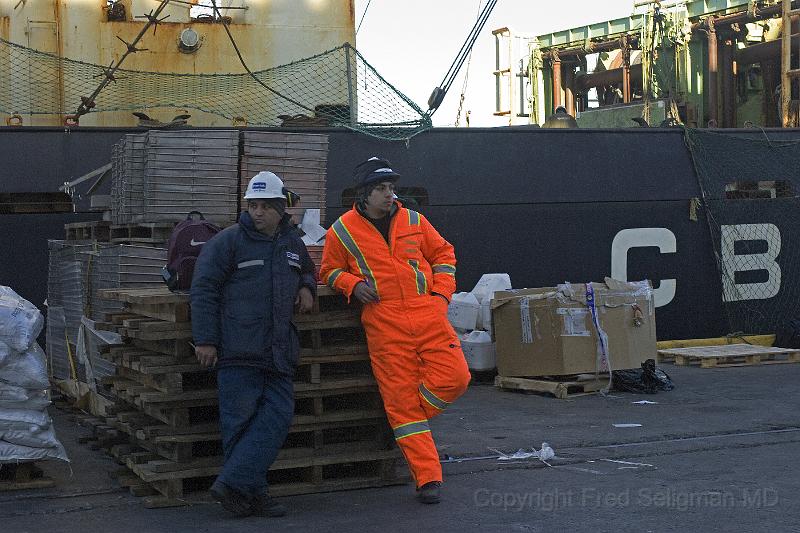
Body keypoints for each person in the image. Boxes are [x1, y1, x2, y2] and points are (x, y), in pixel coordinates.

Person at [319, 157, 471, 505]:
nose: (390, 195)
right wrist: (352, 284)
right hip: (383, 323)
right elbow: (327, 270)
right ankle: (428, 478)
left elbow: (444, 254)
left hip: (427, 313)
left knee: (456, 378)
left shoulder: (415, 221)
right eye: (381, 189)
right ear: (363, 194)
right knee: (401, 404)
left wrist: (440, 295)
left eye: (391, 188)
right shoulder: (342, 230)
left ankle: (402, 417)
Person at [191, 170, 316, 517]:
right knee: (240, 424)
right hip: (237, 349)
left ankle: (232, 485)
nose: (257, 212)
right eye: (253, 205)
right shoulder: (228, 242)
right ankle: (252, 494)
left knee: (277, 417)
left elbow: (307, 269)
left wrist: (306, 285)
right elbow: (204, 290)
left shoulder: (292, 244)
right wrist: (205, 340)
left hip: (277, 349)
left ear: (280, 209)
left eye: (264, 206)